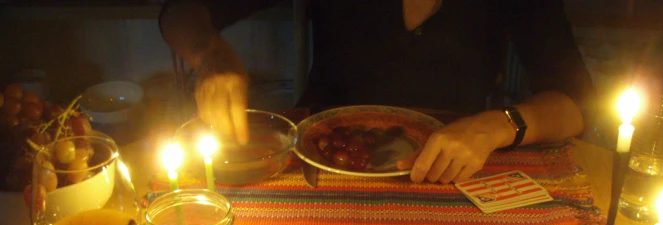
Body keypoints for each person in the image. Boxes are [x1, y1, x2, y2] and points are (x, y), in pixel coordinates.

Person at [160, 0, 593, 184]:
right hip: (321, 171)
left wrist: (497, 126)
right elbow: (181, 11)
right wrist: (211, 55)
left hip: (451, 171)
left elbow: (577, 102)